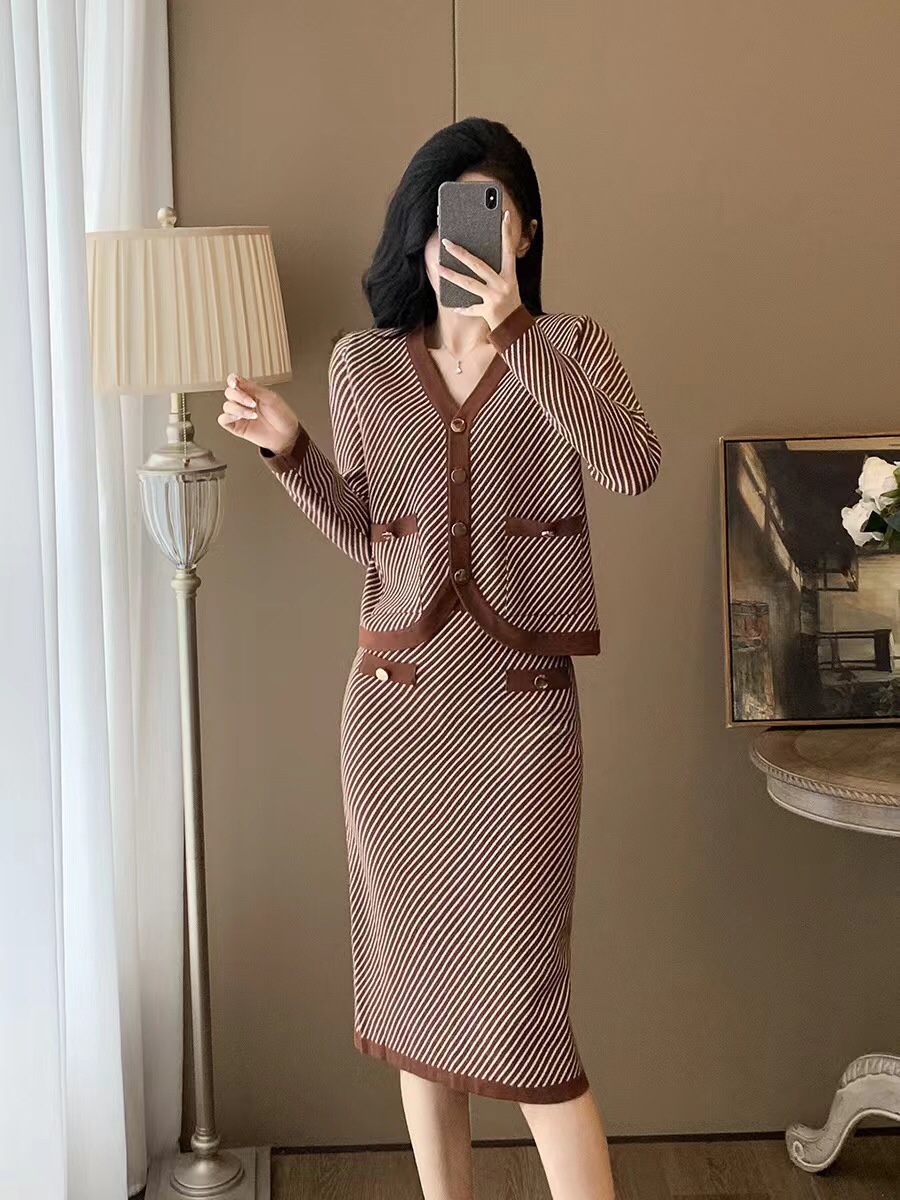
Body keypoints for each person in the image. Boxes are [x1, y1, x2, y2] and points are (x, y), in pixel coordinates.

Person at [218, 117, 661, 1200]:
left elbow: (634, 466)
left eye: (488, 219)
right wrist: (291, 451)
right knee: (419, 1017)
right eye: (443, 221)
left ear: (525, 233)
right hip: (395, 716)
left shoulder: (573, 347)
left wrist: (518, 334)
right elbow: (376, 540)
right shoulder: (362, 365)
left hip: (522, 717)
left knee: (527, 1021)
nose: (460, 241)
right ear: (417, 233)